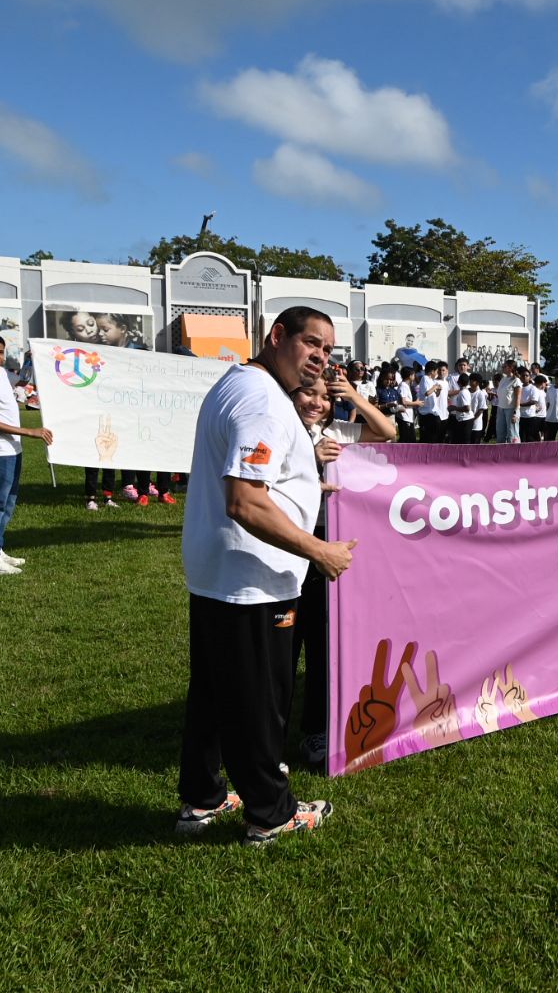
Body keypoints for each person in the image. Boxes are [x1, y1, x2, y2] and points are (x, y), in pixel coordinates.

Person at [177, 306, 352, 845]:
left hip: (220, 569)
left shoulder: (243, 384)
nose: (321, 357)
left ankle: (202, 796)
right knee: (259, 700)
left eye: (328, 349)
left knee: (213, 692)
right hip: (253, 576)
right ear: (278, 336)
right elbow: (246, 501)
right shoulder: (264, 402)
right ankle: (270, 812)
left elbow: (261, 482)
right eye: (312, 343)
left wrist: (308, 487)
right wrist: (318, 551)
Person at [286, 368, 392, 767]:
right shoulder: (281, 429)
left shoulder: (338, 432)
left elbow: (387, 432)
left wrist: (353, 396)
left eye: (326, 397)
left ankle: (315, 730)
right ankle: (269, 734)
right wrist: (310, 462)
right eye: (307, 393)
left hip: (326, 548)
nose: (317, 403)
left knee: (321, 645)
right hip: (287, 545)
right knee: (282, 649)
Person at [0, 333, 52, 574]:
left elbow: (22, 385)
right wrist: (28, 431)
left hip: (12, 448)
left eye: (0, 351)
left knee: (8, 502)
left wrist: (36, 360)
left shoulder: (2, 374)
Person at [494, 359, 521, 443]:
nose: (502, 367)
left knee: (512, 434)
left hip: (511, 409)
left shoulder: (516, 380)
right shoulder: (503, 379)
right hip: (500, 408)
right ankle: (501, 450)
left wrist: (515, 413)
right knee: (500, 433)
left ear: (510, 368)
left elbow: (518, 397)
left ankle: (515, 450)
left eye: (504, 366)